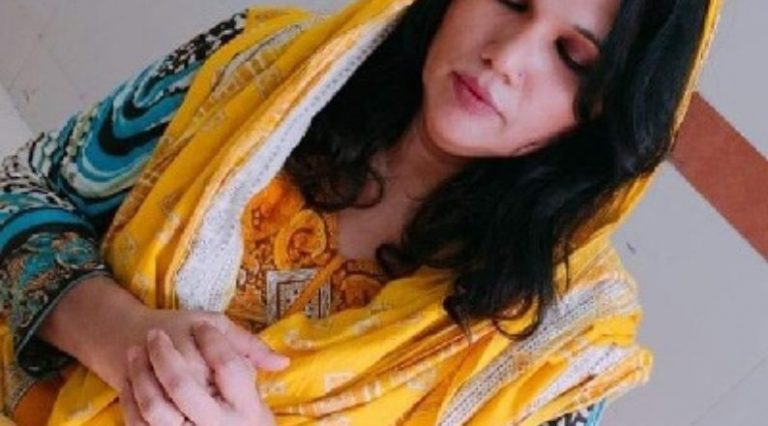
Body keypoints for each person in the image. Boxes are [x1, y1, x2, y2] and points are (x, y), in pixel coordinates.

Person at [0, 0, 720, 424]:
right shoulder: (259, 67)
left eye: (572, 56)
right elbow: (20, 188)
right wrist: (120, 334)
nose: (507, 57)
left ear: (608, 110)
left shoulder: (563, 355)